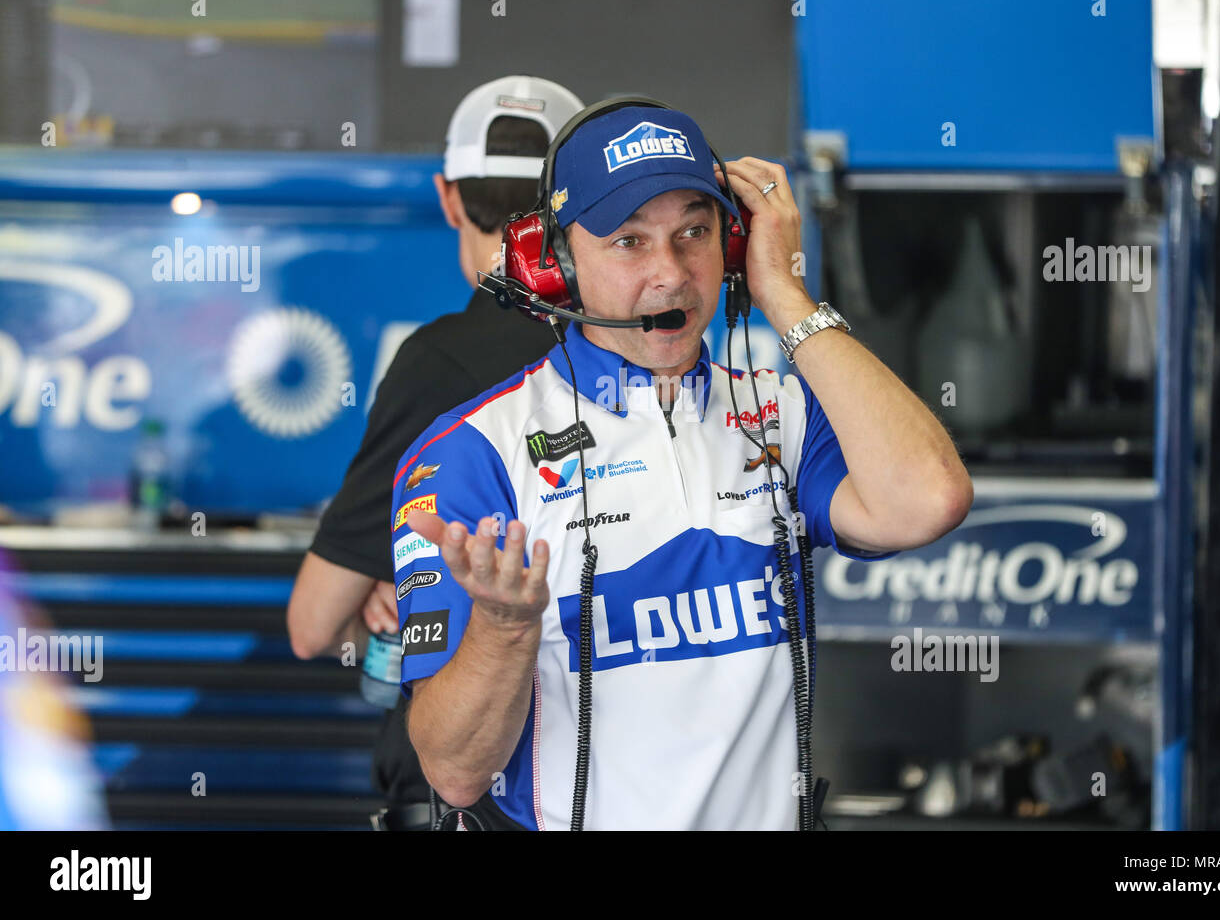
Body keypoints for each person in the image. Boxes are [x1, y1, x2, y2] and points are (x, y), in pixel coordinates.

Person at [392, 100, 974, 830]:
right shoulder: (472, 452)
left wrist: (786, 297)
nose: (670, 273)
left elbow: (929, 499)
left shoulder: (782, 414)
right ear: (557, 265)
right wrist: (505, 628)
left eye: (694, 233)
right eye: (628, 241)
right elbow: (453, 771)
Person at [286, 75, 583, 830]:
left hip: (474, 795)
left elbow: (313, 626)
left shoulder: (438, 362)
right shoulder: (634, 352)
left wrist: (384, 605)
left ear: (448, 197)